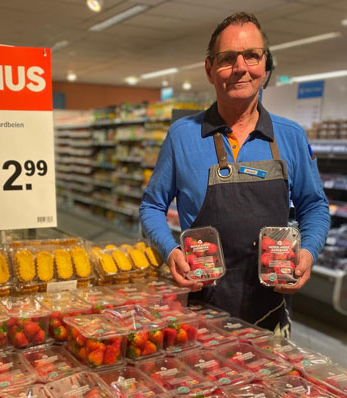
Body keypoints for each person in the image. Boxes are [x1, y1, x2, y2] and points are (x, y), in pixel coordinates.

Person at [139, 12, 330, 335]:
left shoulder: (290, 135)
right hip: (199, 305)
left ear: (265, 65)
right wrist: (169, 250)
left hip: (271, 305)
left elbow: (314, 206)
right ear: (210, 69)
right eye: (228, 58)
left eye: (252, 56)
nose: (241, 67)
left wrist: (308, 251)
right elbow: (152, 206)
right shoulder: (182, 135)